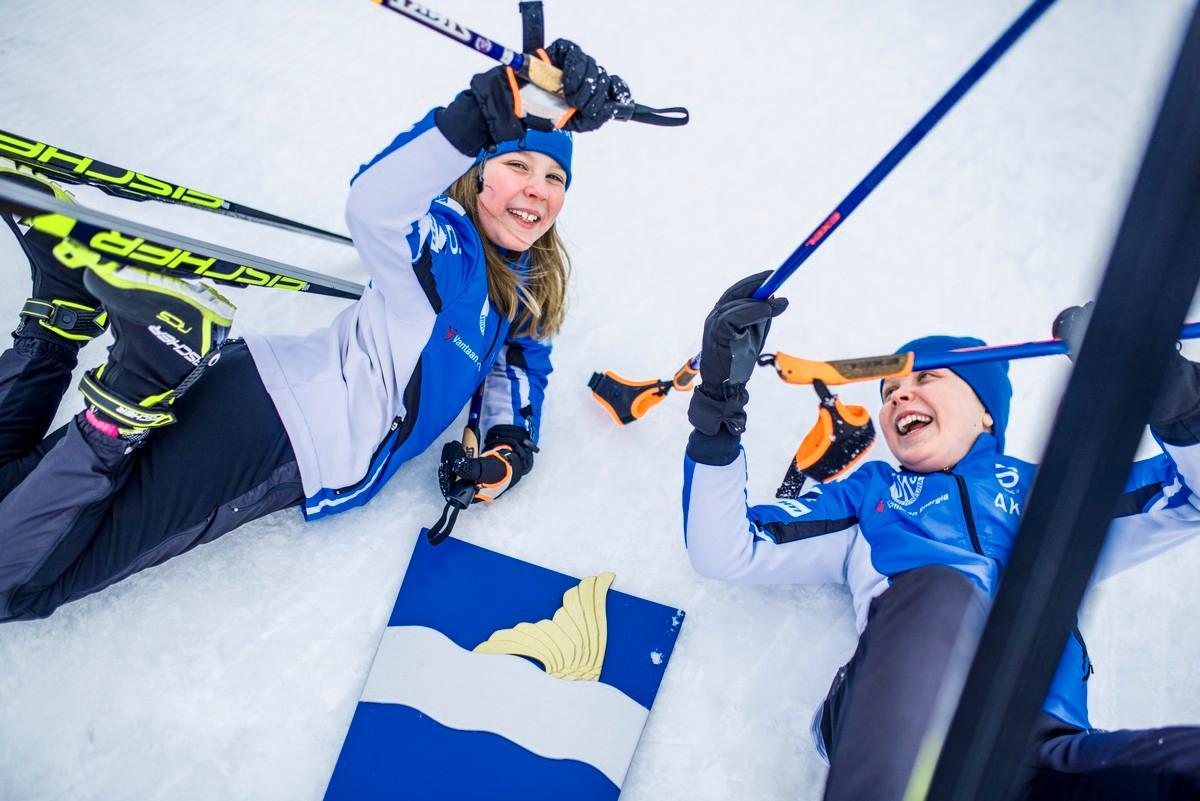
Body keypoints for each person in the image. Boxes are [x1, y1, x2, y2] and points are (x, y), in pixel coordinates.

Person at [0, 40, 629, 622]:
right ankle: (146, 368)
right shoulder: (450, 245)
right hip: (290, 440)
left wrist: (506, 453)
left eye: (555, 178)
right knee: (16, 584)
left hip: (257, 394)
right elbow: (376, 208)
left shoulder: (511, 296)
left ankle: (57, 315)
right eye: (518, 164)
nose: (536, 190)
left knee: (18, 491)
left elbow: (518, 368)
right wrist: (482, 114)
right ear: (478, 174)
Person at [681, 274, 1200, 800]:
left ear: (984, 411)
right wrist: (718, 412)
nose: (899, 394)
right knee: (942, 592)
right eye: (888, 392)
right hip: (899, 721)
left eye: (926, 379)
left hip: (1034, 747)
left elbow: (1188, 497)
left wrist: (1176, 400)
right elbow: (728, 548)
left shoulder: (1049, 492)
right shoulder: (870, 493)